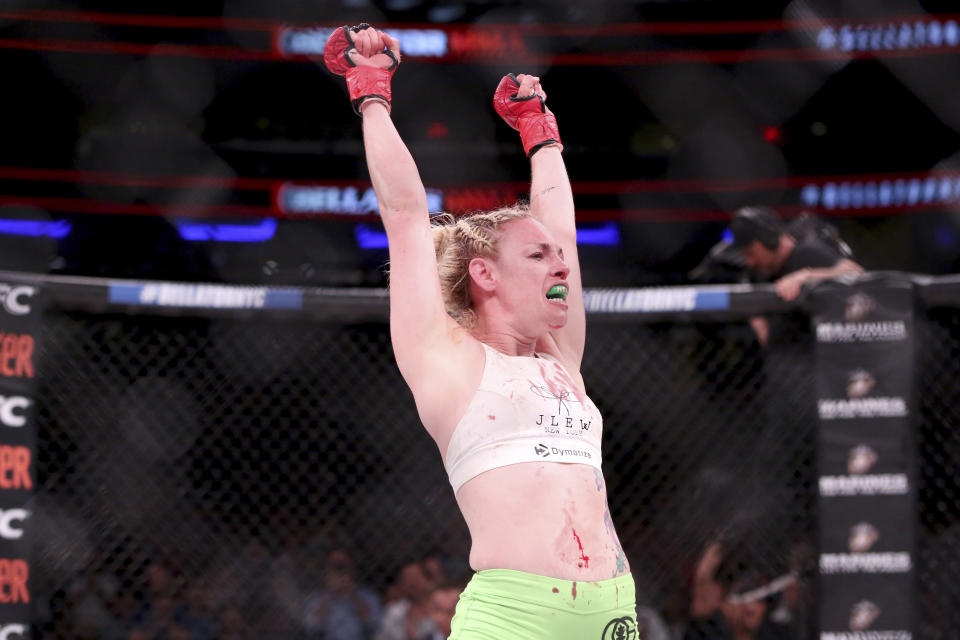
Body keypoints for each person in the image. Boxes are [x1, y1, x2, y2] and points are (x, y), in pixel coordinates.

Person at [323, 23, 638, 640]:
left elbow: (565, 231)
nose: (561, 266)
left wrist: (539, 132)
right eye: (537, 257)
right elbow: (407, 220)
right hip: (514, 616)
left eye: (557, 257)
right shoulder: (448, 362)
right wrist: (371, 92)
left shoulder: (560, 358)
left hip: (613, 610)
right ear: (485, 274)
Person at [728, 206, 862, 345]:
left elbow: (855, 271)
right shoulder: (759, 271)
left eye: (751, 253)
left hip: (824, 350)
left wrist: (805, 276)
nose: (750, 261)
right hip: (785, 355)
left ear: (768, 240)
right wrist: (758, 321)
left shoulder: (807, 252)